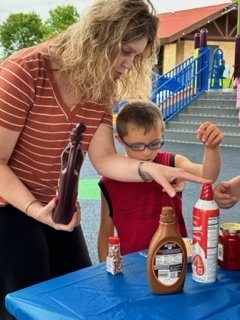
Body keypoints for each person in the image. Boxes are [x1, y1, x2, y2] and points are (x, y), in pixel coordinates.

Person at [0, 1, 209, 318]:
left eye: (136, 55)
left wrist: (150, 168)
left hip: (57, 205)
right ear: (96, 36)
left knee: (79, 294)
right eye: (125, 50)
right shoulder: (25, 71)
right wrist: (32, 209)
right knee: (28, 303)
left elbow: (105, 159)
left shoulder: (99, 85)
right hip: (9, 205)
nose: (128, 64)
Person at [98, 100, 223, 260]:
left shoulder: (171, 163)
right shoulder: (110, 180)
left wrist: (212, 148)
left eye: (155, 143)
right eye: (137, 146)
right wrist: (104, 269)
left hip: (174, 257)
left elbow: (206, 176)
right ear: (120, 140)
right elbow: (105, 232)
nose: (146, 153)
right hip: (131, 265)